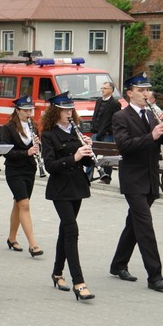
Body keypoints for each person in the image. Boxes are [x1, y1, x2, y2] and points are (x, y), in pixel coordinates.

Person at [109, 72, 163, 291]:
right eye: (141, 90)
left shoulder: (152, 114)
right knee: (145, 226)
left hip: (151, 178)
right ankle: (155, 276)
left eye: (147, 90)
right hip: (133, 179)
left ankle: (118, 264)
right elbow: (125, 146)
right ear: (130, 93)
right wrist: (152, 136)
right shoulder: (121, 117)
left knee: (134, 223)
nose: (146, 94)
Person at [40, 91, 95, 301]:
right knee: (72, 230)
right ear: (56, 112)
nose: (69, 113)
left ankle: (57, 273)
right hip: (60, 188)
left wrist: (89, 151)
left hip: (77, 187)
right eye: (64, 110)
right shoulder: (49, 135)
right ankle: (79, 282)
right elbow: (50, 166)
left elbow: (86, 162)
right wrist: (74, 156)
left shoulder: (76, 131)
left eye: (70, 109)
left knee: (65, 230)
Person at [1, 95, 44, 257]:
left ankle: (11, 238)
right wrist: (27, 152)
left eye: (30, 110)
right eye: (25, 111)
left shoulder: (33, 125)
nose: (29, 113)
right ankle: (33, 245)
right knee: (24, 204)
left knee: (19, 204)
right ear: (17, 110)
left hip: (29, 169)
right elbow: (7, 153)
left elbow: (37, 147)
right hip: (14, 170)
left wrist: (38, 146)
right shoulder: (8, 128)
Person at [87, 82, 121, 182]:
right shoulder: (98, 101)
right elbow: (95, 116)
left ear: (111, 90)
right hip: (96, 132)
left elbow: (116, 120)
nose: (102, 90)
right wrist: (93, 128)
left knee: (108, 156)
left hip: (107, 134)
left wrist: (108, 130)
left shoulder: (115, 103)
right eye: (102, 88)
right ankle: (88, 176)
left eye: (105, 88)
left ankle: (106, 177)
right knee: (90, 154)